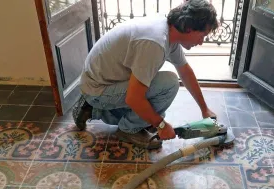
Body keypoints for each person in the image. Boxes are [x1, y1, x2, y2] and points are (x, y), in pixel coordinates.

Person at [73, 0, 219, 149]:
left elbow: (185, 72)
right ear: (189, 28)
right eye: (202, 35)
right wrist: (161, 125)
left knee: (154, 107)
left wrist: (204, 109)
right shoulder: (155, 43)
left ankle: (92, 108)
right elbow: (133, 98)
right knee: (168, 85)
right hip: (98, 88)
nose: (201, 42)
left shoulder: (170, 31)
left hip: (102, 80)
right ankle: (127, 129)